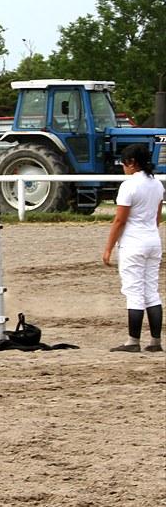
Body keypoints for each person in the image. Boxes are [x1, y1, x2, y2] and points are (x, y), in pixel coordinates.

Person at [102, 144, 164, 352]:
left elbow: (119, 220)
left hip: (133, 243)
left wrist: (108, 248)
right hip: (153, 241)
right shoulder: (156, 184)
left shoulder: (129, 186)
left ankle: (133, 341)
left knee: (134, 291)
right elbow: (156, 217)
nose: (123, 167)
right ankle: (155, 341)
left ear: (132, 163)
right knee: (151, 291)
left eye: (124, 163)